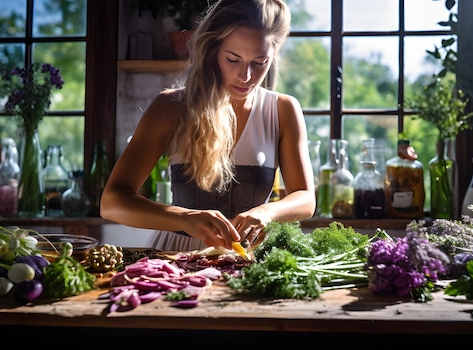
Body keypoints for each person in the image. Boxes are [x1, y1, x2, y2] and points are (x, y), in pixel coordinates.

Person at [100, 0, 315, 252]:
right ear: (212, 51)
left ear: (273, 55)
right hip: (176, 258)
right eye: (233, 60)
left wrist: (267, 212)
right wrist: (183, 218)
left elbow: (305, 198)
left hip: (250, 262)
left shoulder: (282, 109)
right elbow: (112, 202)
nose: (246, 76)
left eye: (259, 62)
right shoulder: (171, 106)